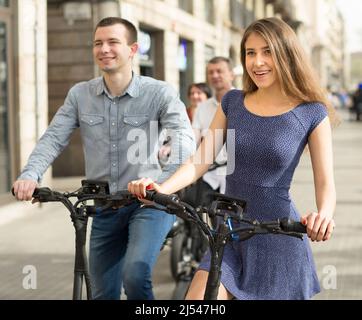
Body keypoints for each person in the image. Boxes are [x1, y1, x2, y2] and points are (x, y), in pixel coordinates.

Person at [128, 17, 336, 300]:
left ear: (286, 54)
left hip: (279, 236)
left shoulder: (312, 112)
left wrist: (323, 214)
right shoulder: (233, 102)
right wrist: (160, 189)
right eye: (251, 53)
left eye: (267, 52)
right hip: (230, 231)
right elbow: (199, 161)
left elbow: (325, 182)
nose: (258, 62)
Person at [12, 17, 195, 300]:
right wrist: (30, 174)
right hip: (104, 206)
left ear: (133, 50)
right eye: (98, 43)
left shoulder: (159, 92)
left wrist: (161, 184)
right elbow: (53, 137)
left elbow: (185, 139)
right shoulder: (80, 95)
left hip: (149, 203)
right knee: (101, 293)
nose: (104, 49)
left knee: (134, 274)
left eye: (113, 42)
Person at [189, 57, 234, 207]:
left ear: (231, 74)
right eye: (210, 72)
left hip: (237, 177)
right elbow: (193, 140)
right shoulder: (202, 108)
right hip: (209, 175)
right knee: (204, 223)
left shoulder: (246, 102)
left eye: (219, 71)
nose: (214, 75)